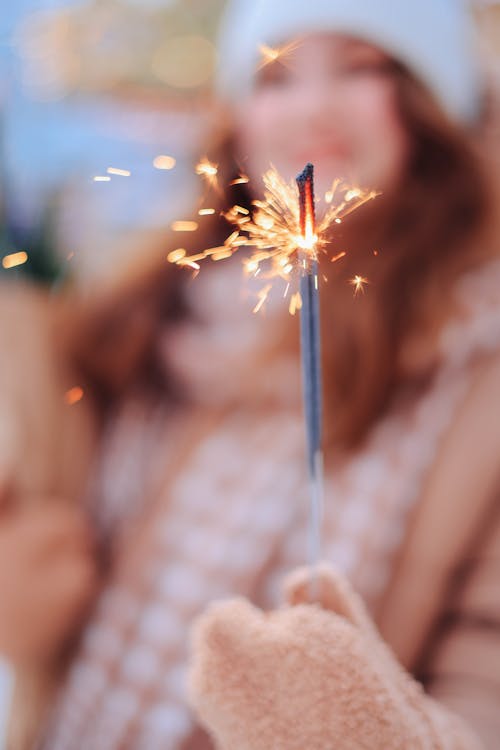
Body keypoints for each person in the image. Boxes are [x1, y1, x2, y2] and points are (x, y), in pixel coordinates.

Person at [2, 0, 499, 747]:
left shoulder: (477, 375)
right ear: (234, 120)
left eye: (361, 69)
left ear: (433, 108)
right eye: (276, 78)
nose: (314, 108)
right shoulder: (142, 325)